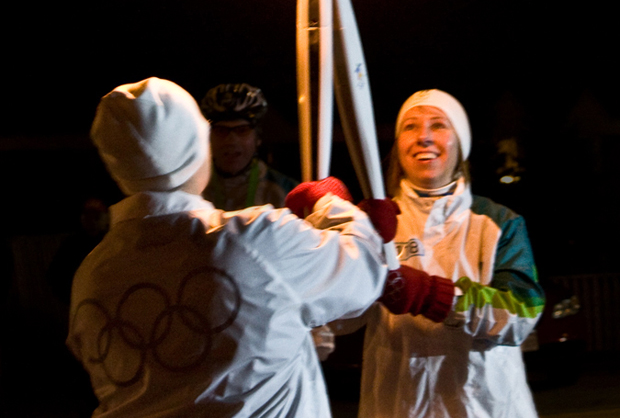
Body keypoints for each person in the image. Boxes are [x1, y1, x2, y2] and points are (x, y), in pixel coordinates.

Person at [67, 77, 397, 417]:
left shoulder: (90, 277)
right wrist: (331, 203)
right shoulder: (257, 239)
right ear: (198, 145)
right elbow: (364, 269)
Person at [357, 88, 545, 418]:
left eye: (439, 125)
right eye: (410, 127)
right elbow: (338, 320)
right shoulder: (374, 223)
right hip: (397, 405)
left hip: (484, 406)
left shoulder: (499, 223)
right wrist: (325, 246)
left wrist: (435, 296)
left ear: (460, 143)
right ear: (398, 146)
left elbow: (523, 313)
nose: (424, 137)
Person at [200, 82, 297, 211]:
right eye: (221, 131)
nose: (231, 140)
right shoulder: (193, 186)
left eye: (242, 130)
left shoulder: (285, 190)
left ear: (257, 138)